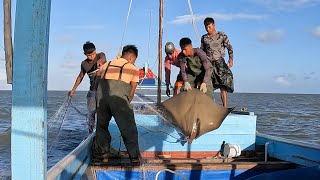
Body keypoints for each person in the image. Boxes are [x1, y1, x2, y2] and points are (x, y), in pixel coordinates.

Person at [92, 45, 141, 164]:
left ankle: (103, 156)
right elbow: (132, 91)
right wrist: (125, 105)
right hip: (118, 99)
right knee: (128, 128)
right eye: (134, 59)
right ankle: (134, 158)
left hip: (101, 97)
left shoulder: (106, 64)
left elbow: (98, 80)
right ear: (131, 57)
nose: (134, 62)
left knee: (102, 127)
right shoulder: (133, 68)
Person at [68, 41, 106, 133]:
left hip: (104, 91)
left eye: (93, 54)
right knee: (91, 114)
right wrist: (73, 90)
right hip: (92, 91)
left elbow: (102, 57)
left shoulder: (100, 55)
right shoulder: (84, 64)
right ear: (85, 54)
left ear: (95, 51)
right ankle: (90, 133)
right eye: (89, 55)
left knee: (104, 114)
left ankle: (103, 132)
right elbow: (80, 77)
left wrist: (100, 62)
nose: (92, 57)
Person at [201, 17, 234, 108]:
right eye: (206, 27)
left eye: (209, 27)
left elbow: (229, 48)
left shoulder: (222, 35)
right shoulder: (204, 38)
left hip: (219, 62)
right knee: (208, 85)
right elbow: (202, 51)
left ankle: (224, 107)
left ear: (214, 25)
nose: (208, 29)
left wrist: (231, 59)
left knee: (223, 85)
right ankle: (209, 106)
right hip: (209, 64)